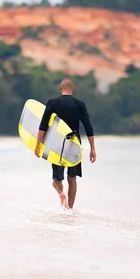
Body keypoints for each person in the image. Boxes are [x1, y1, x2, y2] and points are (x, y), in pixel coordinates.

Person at [34, 77, 96, 210]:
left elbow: (43, 126)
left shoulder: (52, 103)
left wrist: (38, 145)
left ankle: (61, 195)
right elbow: (88, 127)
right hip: (74, 144)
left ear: (60, 88)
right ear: (73, 89)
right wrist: (92, 149)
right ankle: (70, 209)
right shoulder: (80, 105)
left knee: (57, 180)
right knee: (72, 178)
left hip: (57, 144)